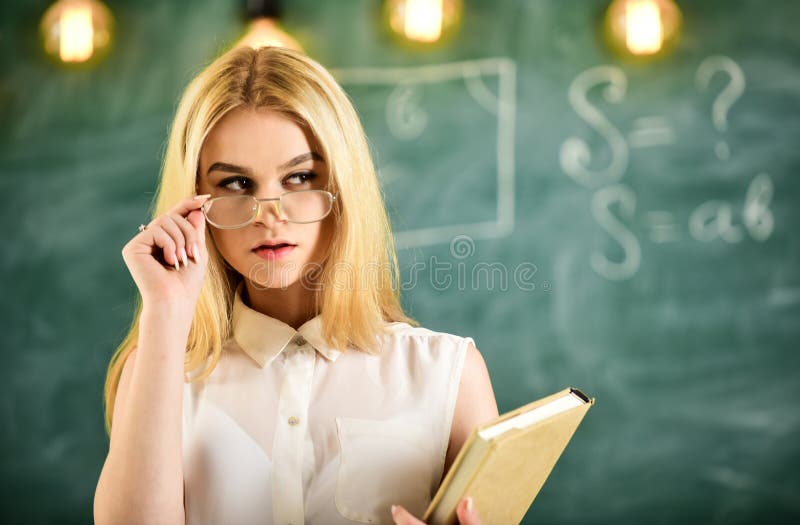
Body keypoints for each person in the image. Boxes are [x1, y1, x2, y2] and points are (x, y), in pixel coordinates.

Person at [93, 45, 499, 525]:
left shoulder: (448, 374)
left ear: (344, 187)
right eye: (236, 184)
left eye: (300, 177)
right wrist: (165, 311)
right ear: (194, 200)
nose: (271, 215)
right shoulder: (157, 373)